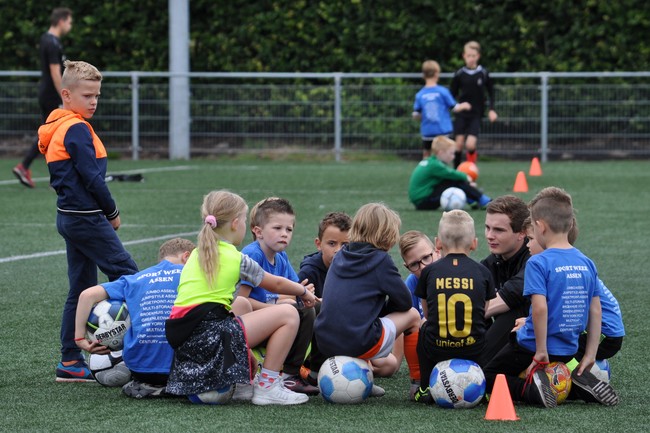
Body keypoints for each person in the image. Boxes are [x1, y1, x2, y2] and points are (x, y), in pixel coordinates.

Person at [164, 190, 317, 406]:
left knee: (242, 303)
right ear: (235, 223)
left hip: (188, 342)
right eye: (245, 220)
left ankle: (243, 382)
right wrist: (303, 292)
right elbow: (277, 283)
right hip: (210, 340)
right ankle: (268, 386)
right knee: (289, 314)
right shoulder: (236, 258)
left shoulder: (197, 253)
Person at [38, 60, 139, 382]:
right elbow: (93, 179)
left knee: (81, 287)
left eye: (97, 95)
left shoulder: (61, 124)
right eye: (87, 95)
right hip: (85, 218)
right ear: (66, 95)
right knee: (132, 277)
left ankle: (70, 361)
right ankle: (141, 351)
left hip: (69, 217)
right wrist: (112, 213)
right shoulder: (77, 128)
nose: (93, 101)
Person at [482, 187, 618, 407]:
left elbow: (540, 309)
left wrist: (541, 350)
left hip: (531, 345)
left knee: (487, 376)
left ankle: (530, 390)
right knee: (555, 369)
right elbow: (596, 311)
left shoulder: (538, 262)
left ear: (540, 226)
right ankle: (579, 384)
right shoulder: (586, 262)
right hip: (568, 348)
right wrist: (590, 354)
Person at [73, 238, 204, 398]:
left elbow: (87, 295)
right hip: (181, 368)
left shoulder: (135, 279)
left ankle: (150, 384)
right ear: (187, 257)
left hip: (139, 370)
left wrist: (80, 339)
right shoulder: (192, 277)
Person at [314, 203, 422, 394]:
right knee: (413, 315)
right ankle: (418, 381)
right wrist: (385, 311)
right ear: (387, 235)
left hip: (324, 341)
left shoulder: (340, 255)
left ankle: (362, 380)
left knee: (359, 320)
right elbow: (405, 301)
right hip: (358, 341)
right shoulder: (380, 260)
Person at [238, 197, 319, 395]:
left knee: (313, 308)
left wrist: (312, 298)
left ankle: (315, 368)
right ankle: (289, 375)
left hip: (272, 318)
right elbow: (241, 302)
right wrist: (279, 307)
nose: (284, 234)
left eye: (288, 229)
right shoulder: (253, 255)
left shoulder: (280, 255)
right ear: (258, 232)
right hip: (248, 325)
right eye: (277, 228)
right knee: (300, 311)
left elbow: (294, 289)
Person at [412, 210, 495, 403]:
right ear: (474, 243)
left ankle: (424, 387)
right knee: (487, 324)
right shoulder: (483, 272)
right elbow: (484, 310)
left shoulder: (429, 272)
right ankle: (487, 387)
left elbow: (427, 311)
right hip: (473, 349)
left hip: (437, 348)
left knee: (425, 327)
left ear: (438, 242)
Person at [521, 217, 625, 368]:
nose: (527, 245)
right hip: (610, 335)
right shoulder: (576, 262)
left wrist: (527, 324)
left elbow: (561, 314)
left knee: (551, 344)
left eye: (531, 238)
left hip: (605, 337)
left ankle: (584, 374)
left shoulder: (550, 267)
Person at [13, 7, 73, 188]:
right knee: (54, 133)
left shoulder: (47, 39)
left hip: (46, 93)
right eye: (70, 22)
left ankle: (27, 167)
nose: (70, 26)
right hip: (51, 95)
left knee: (49, 133)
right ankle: (31, 168)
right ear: (61, 21)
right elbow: (56, 72)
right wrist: (64, 96)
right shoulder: (52, 43)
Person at [297, 211, 351, 385]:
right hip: (313, 342)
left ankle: (358, 367)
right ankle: (313, 371)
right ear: (319, 244)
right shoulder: (309, 271)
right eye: (332, 243)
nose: (339, 250)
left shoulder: (355, 269)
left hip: (344, 336)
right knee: (321, 309)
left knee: (388, 366)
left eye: (345, 244)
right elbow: (297, 305)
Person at [481, 195, 531, 365]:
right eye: (487, 227)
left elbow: (515, 292)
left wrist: (466, 314)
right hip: (517, 340)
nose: (489, 235)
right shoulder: (489, 263)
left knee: (513, 311)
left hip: (549, 340)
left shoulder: (535, 257)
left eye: (498, 230)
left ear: (522, 233)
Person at [397, 230, 439, 398]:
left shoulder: (452, 275)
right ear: (407, 267)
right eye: (415, 264)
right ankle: (417, 379)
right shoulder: (412, 283)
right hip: (428, 347)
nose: (423, 267)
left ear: (436, 251)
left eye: (426, 258)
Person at [408, 135, 491, 210]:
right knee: (455, 181)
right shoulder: (435, 165)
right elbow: (452, 174)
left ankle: (472, 200)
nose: (453, 157)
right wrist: (467, 178)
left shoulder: (430, 161)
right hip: (423, 202)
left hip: (421, 200)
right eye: (451, 153)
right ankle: (483, 200)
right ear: (441, 153)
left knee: (450, 181)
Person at [450, 40, 497, 167]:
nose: (471, 58)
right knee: (458, 144)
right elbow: (450, 95)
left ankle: (472, 172)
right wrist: (456, 107)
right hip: (461, 114)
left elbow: (491, 92)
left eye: (473, 56)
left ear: (478, 56)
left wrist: (492, 109)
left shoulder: (484, 73)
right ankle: (456, 172)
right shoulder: (459, 74)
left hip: (476, 114)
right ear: (464, 56)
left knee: (470, 144)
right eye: (468, 56)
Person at [413, 60, 471, 160]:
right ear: (436, 73)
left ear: (424, 75)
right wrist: (465, 105)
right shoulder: (442, 92)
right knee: (444, 155)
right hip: (442, 131)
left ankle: (425, 174)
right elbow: (455, 108)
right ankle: (444, 174)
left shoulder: (420, 94)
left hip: (427, 132)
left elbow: (416, 114)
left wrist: (420, 116)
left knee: (426, 155)